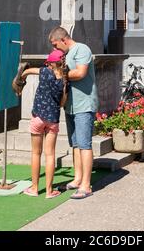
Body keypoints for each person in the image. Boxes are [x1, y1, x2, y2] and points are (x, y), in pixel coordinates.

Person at [49, 26, 98, 199]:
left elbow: (80, 73)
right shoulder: (67, 53)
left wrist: (60, 74)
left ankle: (86, 185)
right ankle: (78, 179)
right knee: (76, 144)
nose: (54, 49)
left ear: (63, 39)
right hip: (70, 105)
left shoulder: (82, 49)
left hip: (84, 105)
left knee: (84, 144)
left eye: (55, 45)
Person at [18, 49, 67, 199]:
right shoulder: (64, 81)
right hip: (52, 120)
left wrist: (22, 75)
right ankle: (49, 191)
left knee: (35, 153)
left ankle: (34, 188)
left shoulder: (44, 72)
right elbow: (62, 103)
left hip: (38, 117)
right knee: (50, 154)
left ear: (50, 64)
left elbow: (29, 71)